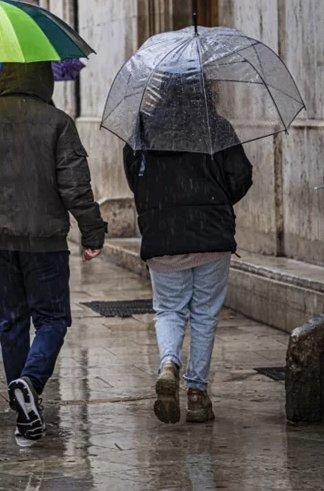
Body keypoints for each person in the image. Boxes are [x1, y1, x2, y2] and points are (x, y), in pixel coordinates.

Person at [0, 62, 106, 446]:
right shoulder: (57, 122)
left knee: (11, 322)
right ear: (44, 80)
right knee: (52, 318)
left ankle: (22, 409)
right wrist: (92, 229)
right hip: (45, 240)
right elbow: (75, 186)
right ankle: (31, 382)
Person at [123, 81, 253, 425]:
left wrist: (160, 206)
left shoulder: (142, 129)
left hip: (162, 236)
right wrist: (215, 202)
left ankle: (169, 364)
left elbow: (133, 178)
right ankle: (197, 393)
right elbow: (241, 176)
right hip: (210, 235)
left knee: (168, 309)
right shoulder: (216, 127)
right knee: (205, 314)